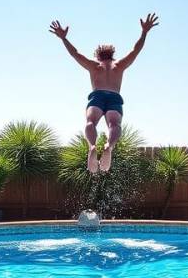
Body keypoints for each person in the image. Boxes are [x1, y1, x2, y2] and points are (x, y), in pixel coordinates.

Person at [49, 13, 159, 172]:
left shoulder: (94, 66)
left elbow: (75, 53)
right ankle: (109, 146)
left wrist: (64, 38)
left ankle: (92, 146)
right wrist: (144, 33)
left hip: (97, 96)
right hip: (114, 97)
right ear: (112, 54)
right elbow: (135, 51)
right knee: (115, 124)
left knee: (90, 122)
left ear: (98, 55)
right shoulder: (119, 66)